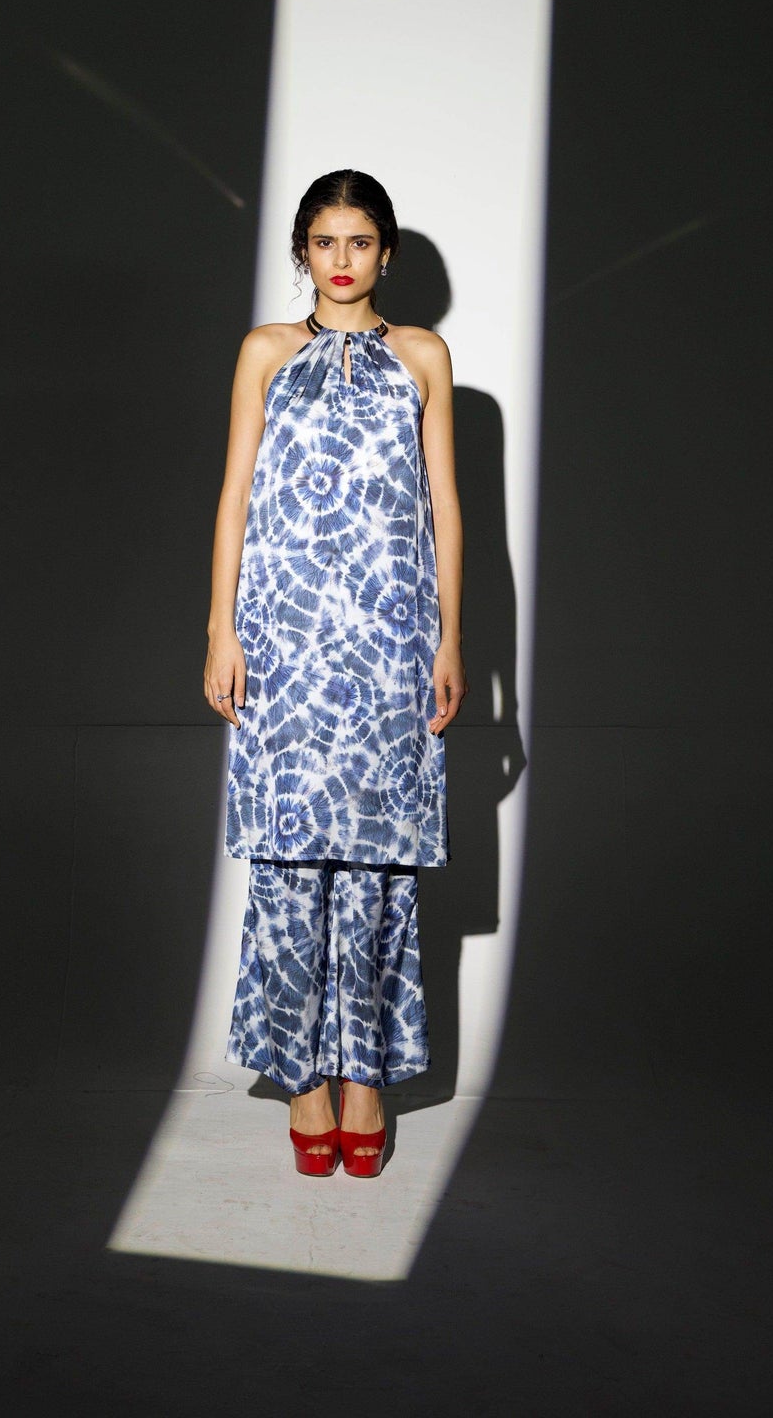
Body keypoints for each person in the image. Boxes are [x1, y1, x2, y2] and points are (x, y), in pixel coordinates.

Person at [203, 168, 467, 1177]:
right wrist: (220, 630)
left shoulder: (423, 354)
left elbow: (445, 503)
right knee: (288, 860)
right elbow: (234, 494)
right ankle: (303, 1080)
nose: (342, 259)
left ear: (385, 252)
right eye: (324, 241)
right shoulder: (265, 351)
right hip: (285, 638)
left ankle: (365, 1076)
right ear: (302, 252)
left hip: (392, 638)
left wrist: (450, 641)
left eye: (360, 241)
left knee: (375, 864)